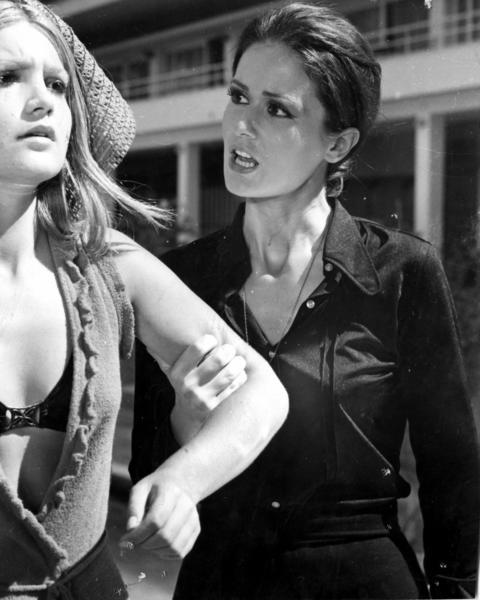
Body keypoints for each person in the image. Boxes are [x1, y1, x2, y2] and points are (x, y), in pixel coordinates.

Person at [0, 2, 289, 599]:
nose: (43, 100)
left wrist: (184, 481)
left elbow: (262, 390)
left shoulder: (110, 266)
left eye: (58, 84)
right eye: (5, 77)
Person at [130, 3, 480, 599]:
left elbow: (451, 464)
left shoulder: (403, 272)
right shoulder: (176, 281)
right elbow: (148, 476)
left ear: (337, 142)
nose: (242, 125)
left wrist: (453, 592)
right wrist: (187, 424)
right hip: (221, 583)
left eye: (276, 109)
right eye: (238, 96)